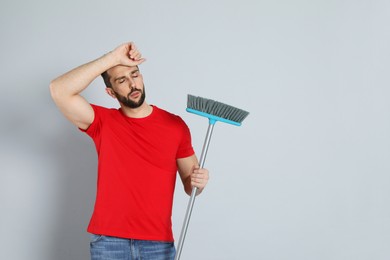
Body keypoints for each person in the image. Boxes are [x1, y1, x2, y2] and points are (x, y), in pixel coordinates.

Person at [49, 42, 209, 260]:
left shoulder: (175, 126)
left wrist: (199, 182)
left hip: (158, 243)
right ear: (111, 92)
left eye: (135, 75)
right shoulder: (103, 122)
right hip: (109, 242)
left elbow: (191, 187)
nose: (133, 85)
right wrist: (112, 58)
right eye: (122, 80)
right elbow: (59, 89)